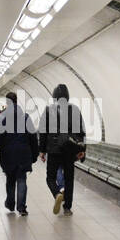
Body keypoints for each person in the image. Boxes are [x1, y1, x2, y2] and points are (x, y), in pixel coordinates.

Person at [38, 83, 86, 215]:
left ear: (55, 96)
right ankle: (67, 207)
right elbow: (81, 132)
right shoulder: (75, 110)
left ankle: (57, 193)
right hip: (70, 150)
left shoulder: (48, 110)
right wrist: (82, 149)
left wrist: (42, 150)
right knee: (69, 178)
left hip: (54, 149)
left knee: (50, 178)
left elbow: (43, 132)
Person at [0, 92, 38, 215]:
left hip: (8, 155)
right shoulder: (25, 117)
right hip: (23, 154)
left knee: (10, 180)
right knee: (22, 179)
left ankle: (10, 204)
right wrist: (35, 154)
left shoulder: (1, 118)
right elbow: (33, 137)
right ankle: (21, 208)